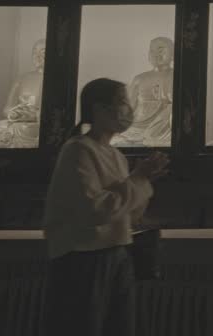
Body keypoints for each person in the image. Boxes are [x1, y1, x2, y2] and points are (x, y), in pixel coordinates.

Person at [42, 78, 169, 335]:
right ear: (99, 110)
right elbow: (95, 210)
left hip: (117, 255)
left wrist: (144, 179)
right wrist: (138, 180)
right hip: (84, 258)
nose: (129, 110)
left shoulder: (116, 156)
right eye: (122, 102)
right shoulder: (78, 150)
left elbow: (128, 214)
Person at [111, 37, 173, 147]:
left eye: (161, 50)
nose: (156, 54)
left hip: (162, 127)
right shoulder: (140, 78)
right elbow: (129, 106)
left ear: (172, 53)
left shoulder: (177, 76)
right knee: (116, 139)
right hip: (138, 125)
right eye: (152, 51)